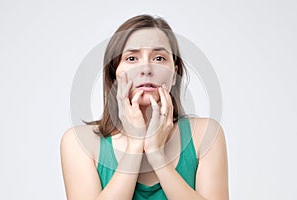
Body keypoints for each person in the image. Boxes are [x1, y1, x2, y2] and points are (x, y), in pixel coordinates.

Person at [60, 14, 229, 200]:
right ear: (115, 75)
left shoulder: (204, 135)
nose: (146, 69)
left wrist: (157, 156)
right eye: (132, 58)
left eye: (159, 58)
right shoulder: (78, 142)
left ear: (174, 75)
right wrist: (135, 144)